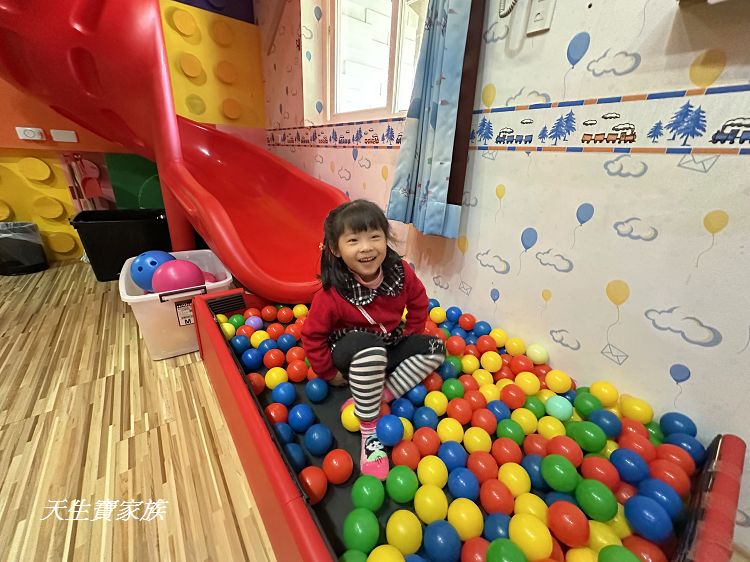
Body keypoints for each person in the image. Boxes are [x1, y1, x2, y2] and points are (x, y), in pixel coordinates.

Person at [301, 200, 445, 479]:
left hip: (387, 343)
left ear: (386, 239)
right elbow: (312, 335)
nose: (366, 247)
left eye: (374, 237)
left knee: (435, 348)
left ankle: (379, 395)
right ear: (335, 249)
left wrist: (411, 335)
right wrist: (329, 373)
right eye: (353, 240)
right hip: (349, 353)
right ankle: (369, 431)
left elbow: (418, 300)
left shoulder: (400, 273)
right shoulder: (331, 294)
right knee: (369, 348)